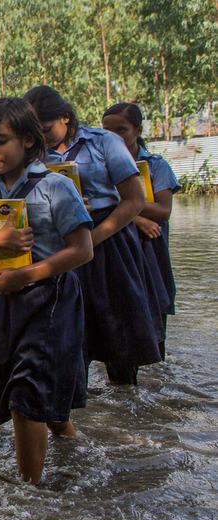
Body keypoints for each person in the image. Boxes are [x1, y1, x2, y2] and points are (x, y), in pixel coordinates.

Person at [0, 98, 94, 484]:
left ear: (29, 141)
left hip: (49, 300)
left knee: (26, 394)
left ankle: (29, 494)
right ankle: (68, 439)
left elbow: (82, 249)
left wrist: (28, 274)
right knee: (24, 385)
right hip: (1, 299)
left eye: (0, 141)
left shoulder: (55, 186)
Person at [23, 85, 161, 385]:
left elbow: (134, 200)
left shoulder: (104, 142)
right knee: (67, 330)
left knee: (118, 328)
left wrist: (94, 238)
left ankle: (125, 404)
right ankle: (74, 406)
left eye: (46, 129)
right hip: (57, 244)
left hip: (110, 241)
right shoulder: (31, 153)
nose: (41, 137)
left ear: (66, 118)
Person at [102, 102, 180, 355]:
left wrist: (127, 205)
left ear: (137, 130)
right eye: (107, 131)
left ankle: (156, 381)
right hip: (119, 247)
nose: (114, 137)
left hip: (151, 250)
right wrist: (136, 218)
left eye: (121, 130)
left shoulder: (155, 165)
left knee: (155, 308)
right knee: (118, 313)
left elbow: (163, 211)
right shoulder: (100, 167)